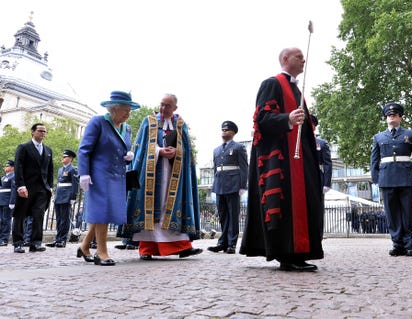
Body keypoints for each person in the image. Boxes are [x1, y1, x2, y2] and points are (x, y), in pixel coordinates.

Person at [239, 47, 325, 272]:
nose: (304, 59)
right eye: (299, 57)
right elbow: (263, 118)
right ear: (285, 59)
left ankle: (300, 252)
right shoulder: (272, 84)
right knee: (286, 205)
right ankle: (287, 254)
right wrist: (288, 118)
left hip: (300, 158)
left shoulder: (297, 89)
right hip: (282, 161)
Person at [118, 93, 202, 260]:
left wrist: (177, 152)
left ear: (175, 108)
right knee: (150, 208)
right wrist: (159, 151)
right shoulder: (148, 121)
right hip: (151, 173)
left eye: (168, 106)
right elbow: (141, 146)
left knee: (170, 207)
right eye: (162, 104)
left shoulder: (180, 124)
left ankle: (182, 246)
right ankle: (147, 248)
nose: (163, 108)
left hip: (173, 174)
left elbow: (186, 151)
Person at [77, 90, 140, 265]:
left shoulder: (127, 128)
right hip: (98, 174)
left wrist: (128, 156)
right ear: (113, 109)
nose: (128, 114)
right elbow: (84, 149)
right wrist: (84, 173)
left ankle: (84, 246)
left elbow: (122, 149)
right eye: (125, 110)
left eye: (130, 110)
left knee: (103, 212)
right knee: (102, 211)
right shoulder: (98, 122)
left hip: (117, 176)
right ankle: (101, 252)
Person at [370, 102, 412, 257]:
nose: (391, 117)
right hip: (386, 178)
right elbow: (374, 160)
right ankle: (397, 244)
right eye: (389, 115)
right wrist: (376, 179)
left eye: (394, 115)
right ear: (385, 118)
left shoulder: (411, 134)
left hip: (406, 177)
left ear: (400, 117)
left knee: (408, 213)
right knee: (392, 213)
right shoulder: (378, 137)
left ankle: (409, 245)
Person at [12, 123, 54, 253]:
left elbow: (50, 170)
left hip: (42, 189)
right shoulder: (24, 147)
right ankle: (18, 243)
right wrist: (20, 186)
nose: (43, 133)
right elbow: (18, 167)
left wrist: (50, 187)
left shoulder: (48, 150)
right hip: (26, 187)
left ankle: (35, 242)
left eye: (45, 131)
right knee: (20, 215)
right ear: (33, 132)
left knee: (38, 215)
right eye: (40, 131)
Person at [207, 121, 248, 254]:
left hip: (233, 184)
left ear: (233, 132)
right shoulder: (217, 150)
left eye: (227, 130)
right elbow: (215, 169)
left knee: (233, 215)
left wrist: (242, 186)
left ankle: (231, 244)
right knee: (223, 215)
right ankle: (222, 243)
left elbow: (243, 167)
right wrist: (214, 185)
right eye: (223, 130)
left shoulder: (239, 147)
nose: (224, 131)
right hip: (220, 185)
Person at [47, 149, 79, 248]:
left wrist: (73, 196)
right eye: (63, 156)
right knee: (59, 219)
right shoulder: (61, 169)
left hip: (66, 197)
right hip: (59, 196)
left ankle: (62, 240)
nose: (63, 158)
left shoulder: (73, 169)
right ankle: (57, 239)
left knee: (65, 219)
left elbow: (75, 184)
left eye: (65, 157)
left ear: (70, 158)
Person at [311, 115, 332, 194]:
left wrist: (326, 184)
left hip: (317, 176)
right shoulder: (299, 142)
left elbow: (327, 163)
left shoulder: (321, 143)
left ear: (314, 127)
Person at [0, 160, 16, 246]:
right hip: (1, 201)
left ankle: (4, 239)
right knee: (1, 220)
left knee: (6, 220)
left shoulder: (13, 176)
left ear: (12, 167)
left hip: (7, 202)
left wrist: (12, 202)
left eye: (7, 166)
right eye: (5, 166)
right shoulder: (3, 178)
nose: (5, 167)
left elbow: (13, 190)